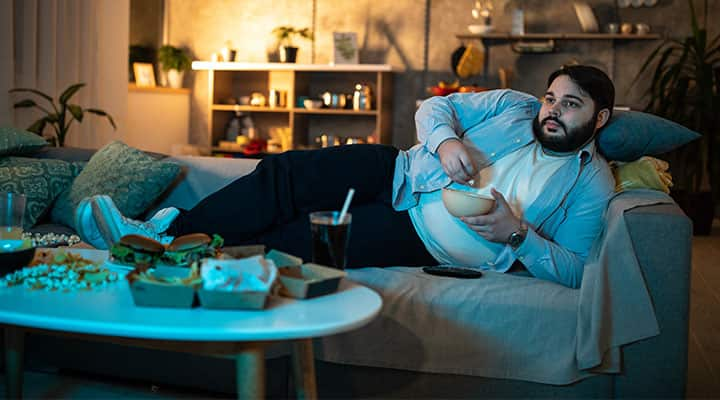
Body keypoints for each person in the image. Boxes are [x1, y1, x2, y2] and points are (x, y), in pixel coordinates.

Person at [76, 65, 615, 288]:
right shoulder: (514, 108)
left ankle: (168, 255)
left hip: (419, 236)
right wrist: (446, 141)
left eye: (570, 105)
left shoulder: (592, 184)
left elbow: (577, 270)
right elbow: (433, 108)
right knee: (285, 173)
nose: (552, 110)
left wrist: (517, 235)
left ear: (599, 118)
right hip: (401, 171)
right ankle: (165, 231)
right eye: (551, 97)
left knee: (294, 240)